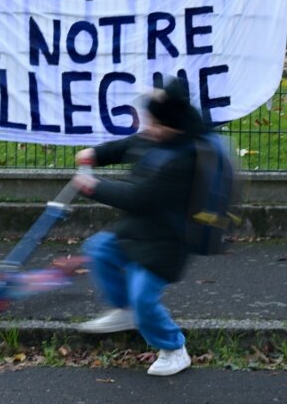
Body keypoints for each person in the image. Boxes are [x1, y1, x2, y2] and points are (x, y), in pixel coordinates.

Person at [71, 77, 203, 376]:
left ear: (174, 125)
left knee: (143, 295)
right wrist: (96, 154)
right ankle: (125, 311)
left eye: (155, 123)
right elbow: (129, 146)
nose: (148, 127)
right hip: (140, 228)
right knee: (99, 250)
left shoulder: (185, 159)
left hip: (168, 241)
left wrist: (93, 186)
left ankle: (174, 348)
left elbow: (139, 197)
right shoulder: (158, 135)